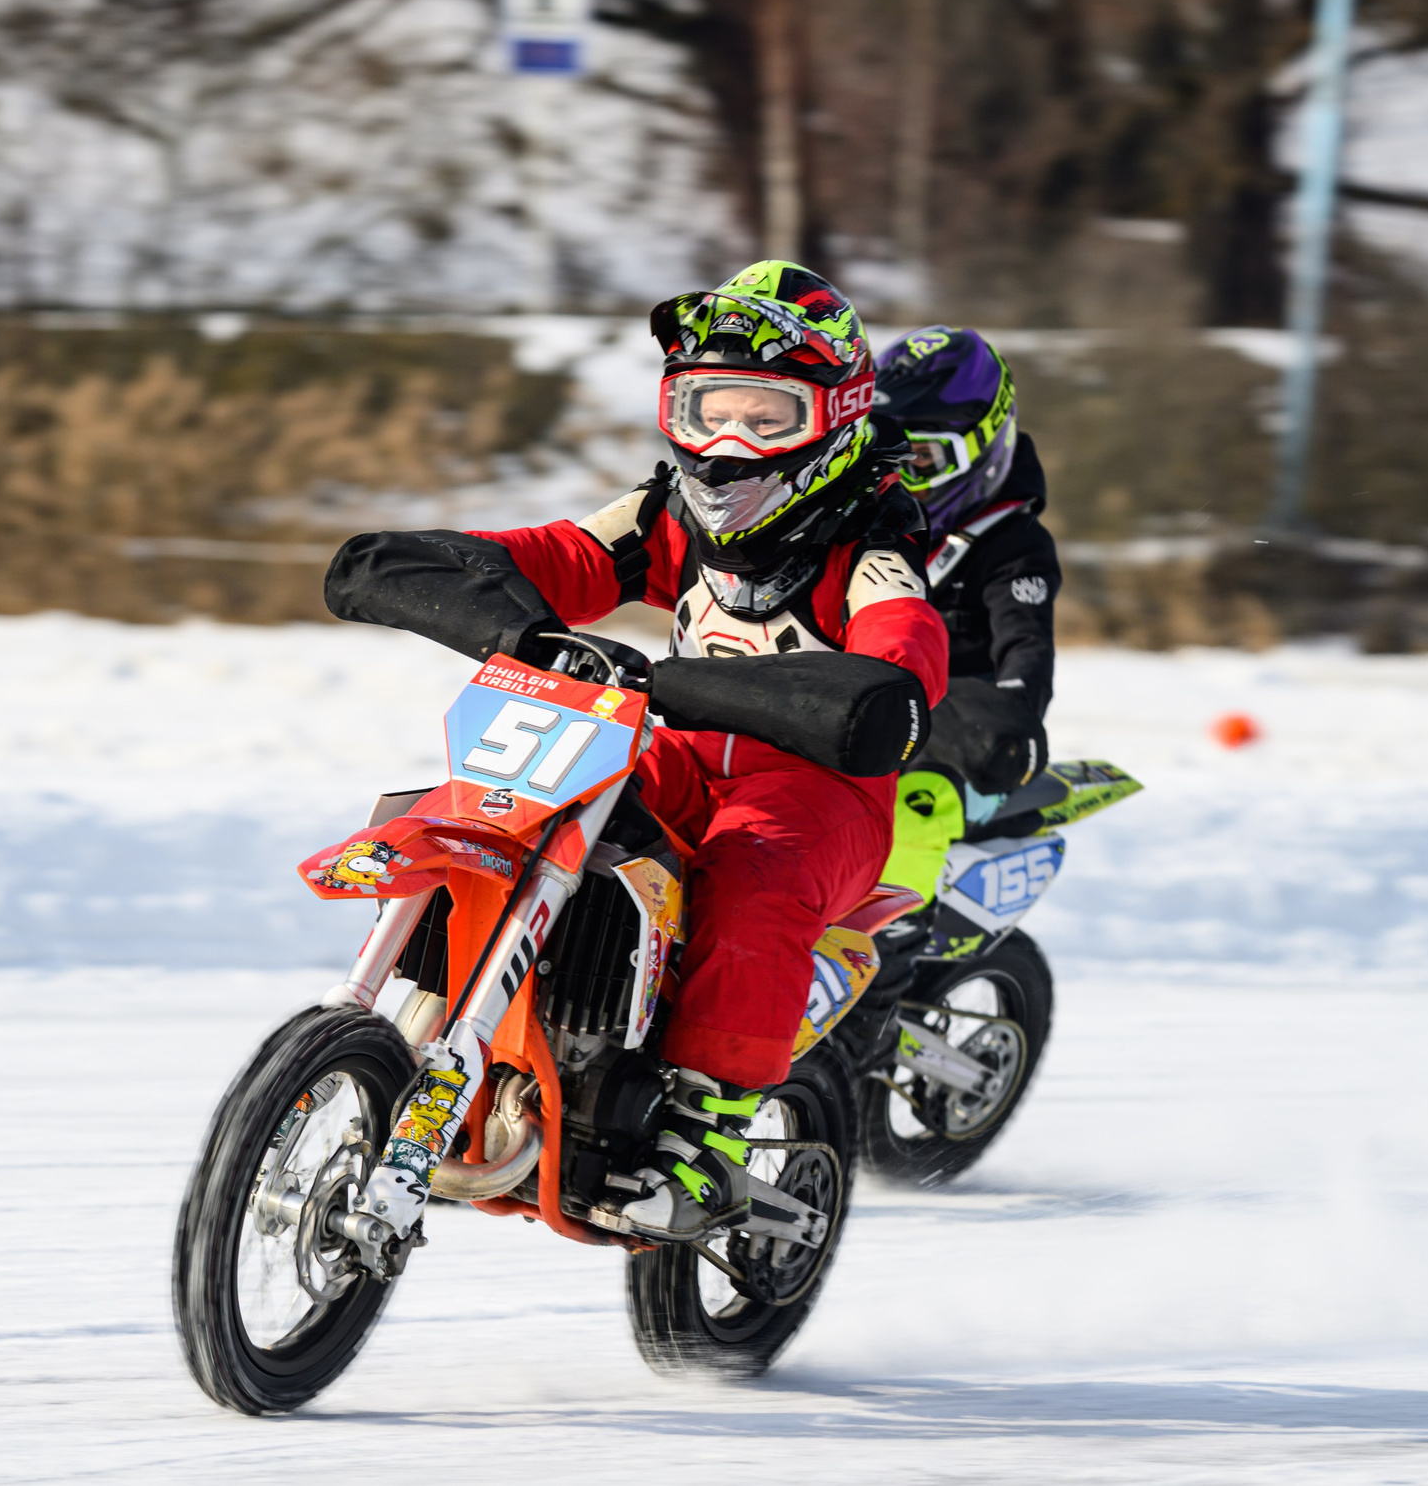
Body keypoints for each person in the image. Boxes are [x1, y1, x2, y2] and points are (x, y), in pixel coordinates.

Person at [324, 261, 947, 1237]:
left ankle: (710, 1135)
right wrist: (437, 577)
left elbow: (900, 660)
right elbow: (548, 554)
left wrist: (881, 687)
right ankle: (435, 1020)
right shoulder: (663, 518)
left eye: (765, 417)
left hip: (819, 793)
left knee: (752, 876)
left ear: (833, 419)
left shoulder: (865, 552)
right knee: (534, 795)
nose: (727, 445)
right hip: (686, 757)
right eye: (706, 408)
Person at [867, 326, 1062, 903]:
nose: (906, 480)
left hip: (962, 739)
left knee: (917, 804)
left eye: (924, 460)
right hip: (868, 721)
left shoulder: (1014, 546)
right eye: (892, 457)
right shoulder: (874, 524)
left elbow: (1026, 646)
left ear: (985, 446)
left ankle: (888, 939)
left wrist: (1009, 718)